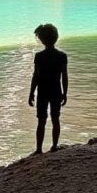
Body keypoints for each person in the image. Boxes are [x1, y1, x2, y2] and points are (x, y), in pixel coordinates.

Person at [28, 23, 68, 154]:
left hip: (42, 91)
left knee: (41, 121)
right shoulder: (62, 56)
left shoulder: (39, 56)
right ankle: (54, 146)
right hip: (56, 90)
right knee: (56, 119)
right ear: (56, 37)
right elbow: (64, 77)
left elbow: (36, 76)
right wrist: (65, 93)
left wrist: (31, 93)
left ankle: (39, 149)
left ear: (42, 39)